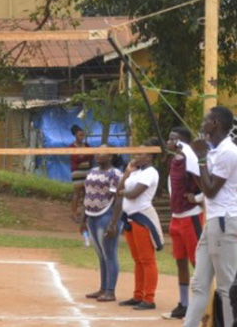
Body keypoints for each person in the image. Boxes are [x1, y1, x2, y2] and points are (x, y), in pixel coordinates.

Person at [184, 106, 237, 327]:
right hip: (214, 221)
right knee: (199, 284)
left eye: (206, 120)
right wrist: (192, 157)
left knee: (226, 287)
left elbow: (211, 190)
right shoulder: (216, 151)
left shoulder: (228, 152)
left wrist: (202, 158)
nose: (202, 124)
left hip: (224, 221)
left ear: (215, 123)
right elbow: (203, 185)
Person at [110, 139, 162, 311]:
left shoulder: (151, 173)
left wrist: (124, 192)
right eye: (136, 153)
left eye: (140, 153)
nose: (136, 156)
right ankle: (138, 294)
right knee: (138, 260)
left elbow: (132, 194)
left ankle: (149, 298)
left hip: (142, 218)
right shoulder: (136, 172)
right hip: (130, 219)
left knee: (147, 260)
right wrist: (126, 172)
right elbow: (119, 189)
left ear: (149, 156)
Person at [165, 127, 202, 320]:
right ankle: (184, 303)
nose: (169, 142)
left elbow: (205, 184)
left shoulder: (191, 160)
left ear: (183, 143)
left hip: (191, 216)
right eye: (169, 138)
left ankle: (203, 303)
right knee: (180, 261)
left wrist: (196, 198)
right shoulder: (174, 161)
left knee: (198, 262)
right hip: (176, 217)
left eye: (174, 140)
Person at [82, 152, 121, 302]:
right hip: (91, 216)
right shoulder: (92, 171)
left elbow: (118, 199)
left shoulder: (115, 174)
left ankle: (110, 291)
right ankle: (103, 288)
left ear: (110, 156)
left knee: (109, 254)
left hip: (106, 215)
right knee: (101, 255)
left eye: (102, 152)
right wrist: (82, 220)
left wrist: (113, 223)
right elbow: (87, 195)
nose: (98, 154)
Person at [70, 125, 93, 226]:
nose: (82, 137)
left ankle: (84, 213)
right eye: (80, 135)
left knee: (86, 193)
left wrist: (82, 156)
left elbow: (91, 156)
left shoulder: (87, 145)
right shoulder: (71, 147)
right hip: (77, 172)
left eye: (83, 135)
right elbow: (75, 159)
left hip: (87, 171)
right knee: (77, 192)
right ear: (75, 135)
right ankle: (74, 213)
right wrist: (84, 157)